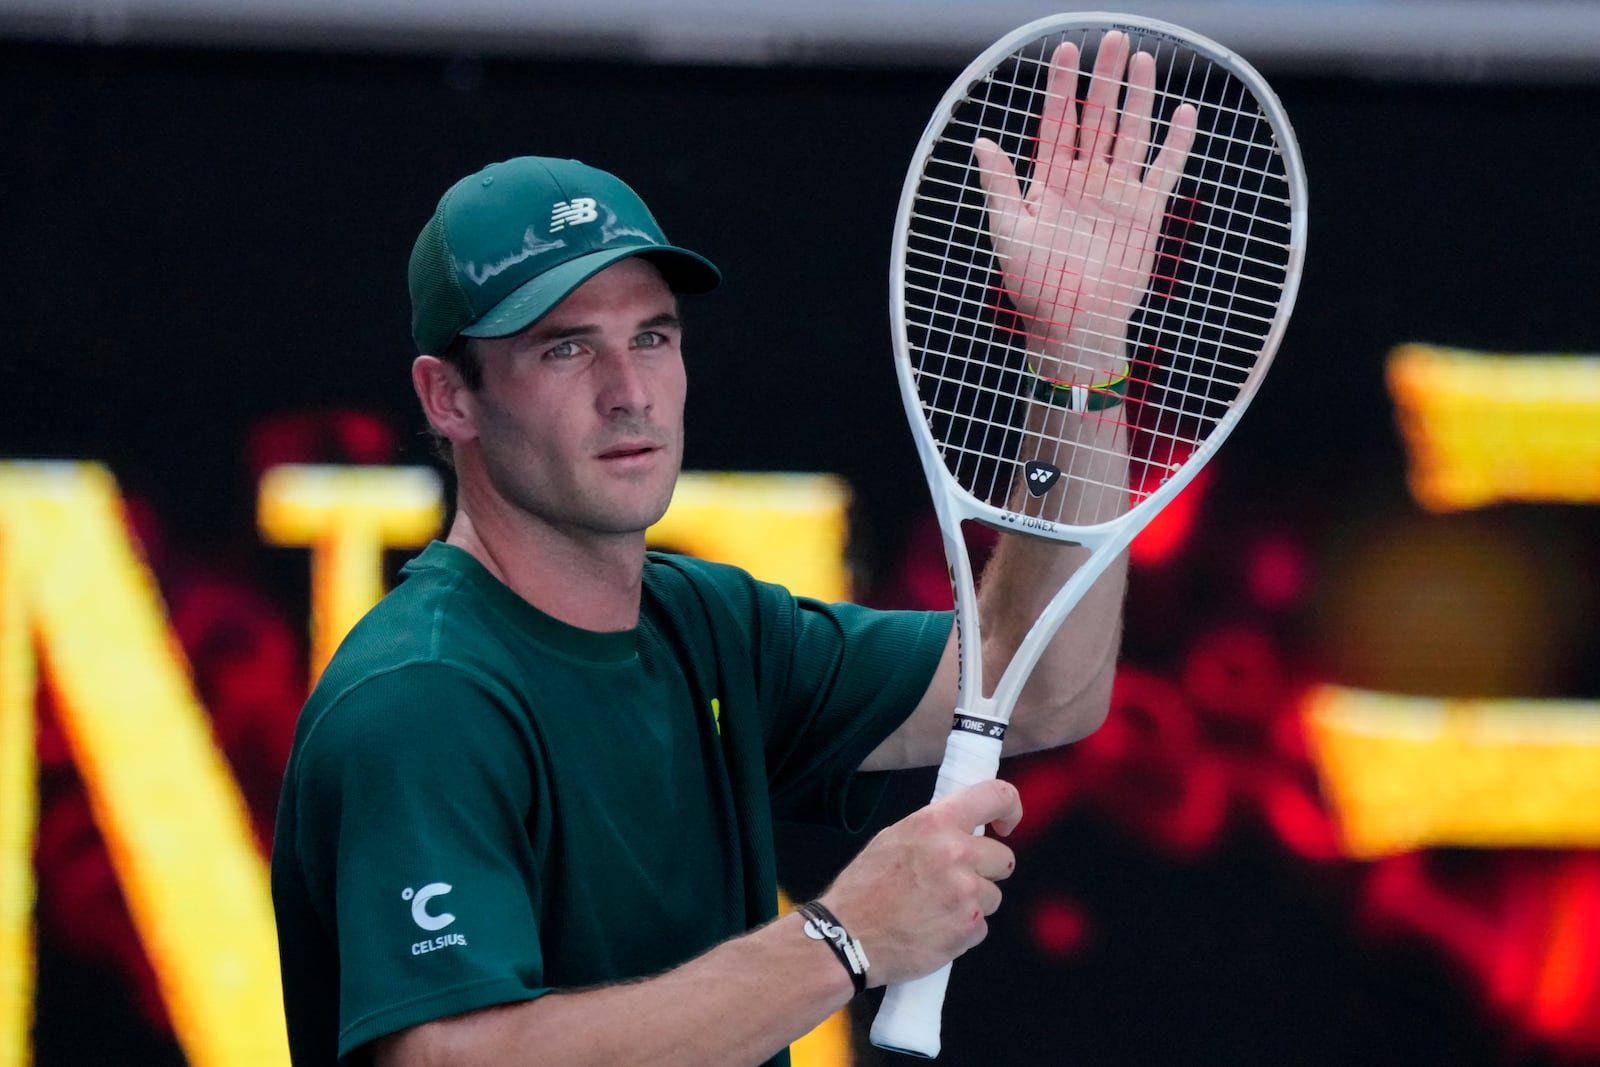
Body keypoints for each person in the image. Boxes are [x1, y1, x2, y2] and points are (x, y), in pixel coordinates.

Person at [271, 32, 1193, 1067]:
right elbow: (451, 1058)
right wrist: (842, 941)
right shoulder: (423, 698)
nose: (628, 389)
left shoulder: (707, 628)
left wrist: (1079, 360)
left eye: (652, 335)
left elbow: (1041, 685)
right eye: (564, 345)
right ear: (449, 398)